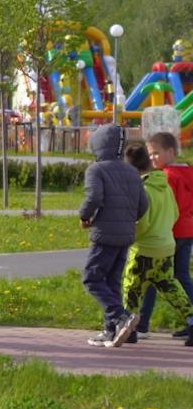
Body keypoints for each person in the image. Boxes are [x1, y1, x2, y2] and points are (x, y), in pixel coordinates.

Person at [79, 123, 150, 347]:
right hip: (126, 235)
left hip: (105, 234)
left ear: (98, 145)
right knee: (112, 282)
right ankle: (111, 330)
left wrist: (84, 216)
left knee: (91, 278)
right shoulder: (131, 171)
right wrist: (129, 218)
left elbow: (94, 198)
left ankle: (121, 317)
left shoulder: (96, 170)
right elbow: (143, 204)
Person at [118, 141, 193, 346]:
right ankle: (191, 320)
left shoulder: (142, 190)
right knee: (170, 286)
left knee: (131, 286)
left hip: (144, 248)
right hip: (166, 246)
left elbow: (142, 221)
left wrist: (131, 236)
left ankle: (130, 328)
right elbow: (175, 213)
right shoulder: (164, 185)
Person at [137, 131, 193, 338]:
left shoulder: (167, 177)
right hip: (187, 229)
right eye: (149, 155)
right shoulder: (188, 173)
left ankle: (141, 324)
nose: (151, 158)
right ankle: (191, 321)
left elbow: (163, 206)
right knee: (181, 276)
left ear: (170, 152)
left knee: (151, 276)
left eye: (155, 154)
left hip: (170, 232)